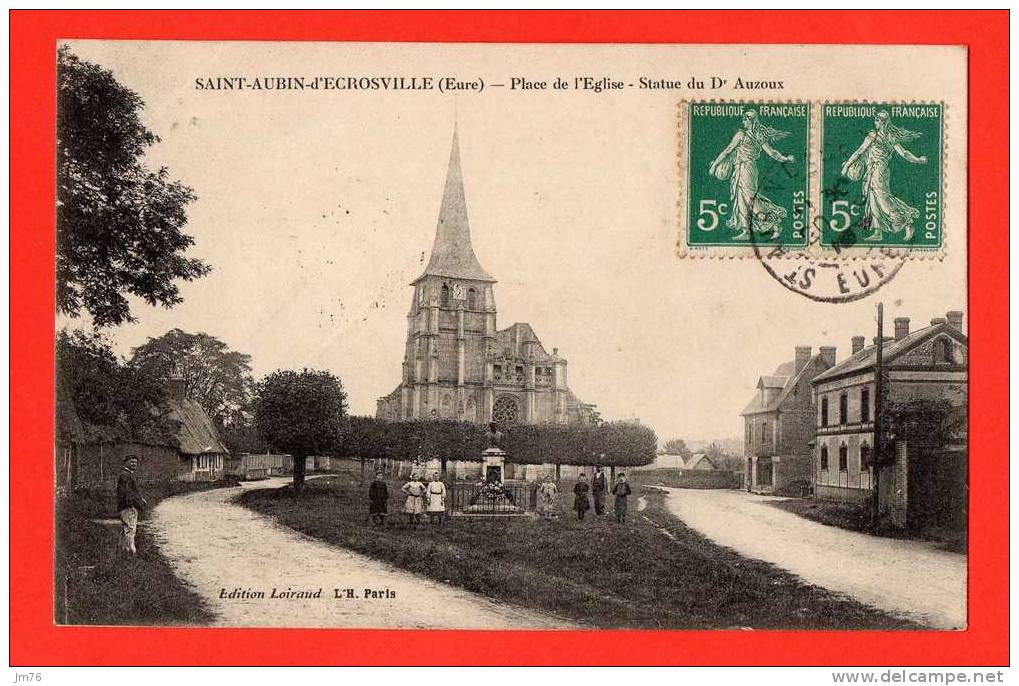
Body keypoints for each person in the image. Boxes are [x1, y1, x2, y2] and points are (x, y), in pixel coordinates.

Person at [840, 110, 927, 241]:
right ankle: (877, 232)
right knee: (873, 200)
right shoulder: (878, 136)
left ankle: (907, 222)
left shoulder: (880, 136)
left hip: (879, 171)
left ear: (882, 122)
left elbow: (903, 152)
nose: (875, 122)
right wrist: (918, 160)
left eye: (877, 120)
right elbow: (860, 152)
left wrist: (918, 160)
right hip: (872, 171)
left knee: (883, 200)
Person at [709, 109, 795, 240]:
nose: (743, 122)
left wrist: (715, 165)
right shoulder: (758, 136)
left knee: (750, 200)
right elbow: (772, 153)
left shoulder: (741, 135)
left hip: (746, 169)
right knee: (741, 200)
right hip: (744, 169)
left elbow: (728, 150)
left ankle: (775, 224)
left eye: (745, 119)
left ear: (749, 121)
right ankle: (746, 231)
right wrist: (785, 159)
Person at [116, 455, 147, 554]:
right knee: (130, 528)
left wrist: (141, 498)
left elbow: (133, 491)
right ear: (126, 462)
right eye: (131, 462)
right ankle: (130, 551)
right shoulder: (126, 475)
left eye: (135, 462)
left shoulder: (127, 474)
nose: (134, 464)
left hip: (125, 505)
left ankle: (123, 550)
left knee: (126, 527)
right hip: (128, 506)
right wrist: (133, 504)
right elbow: (127, 492)